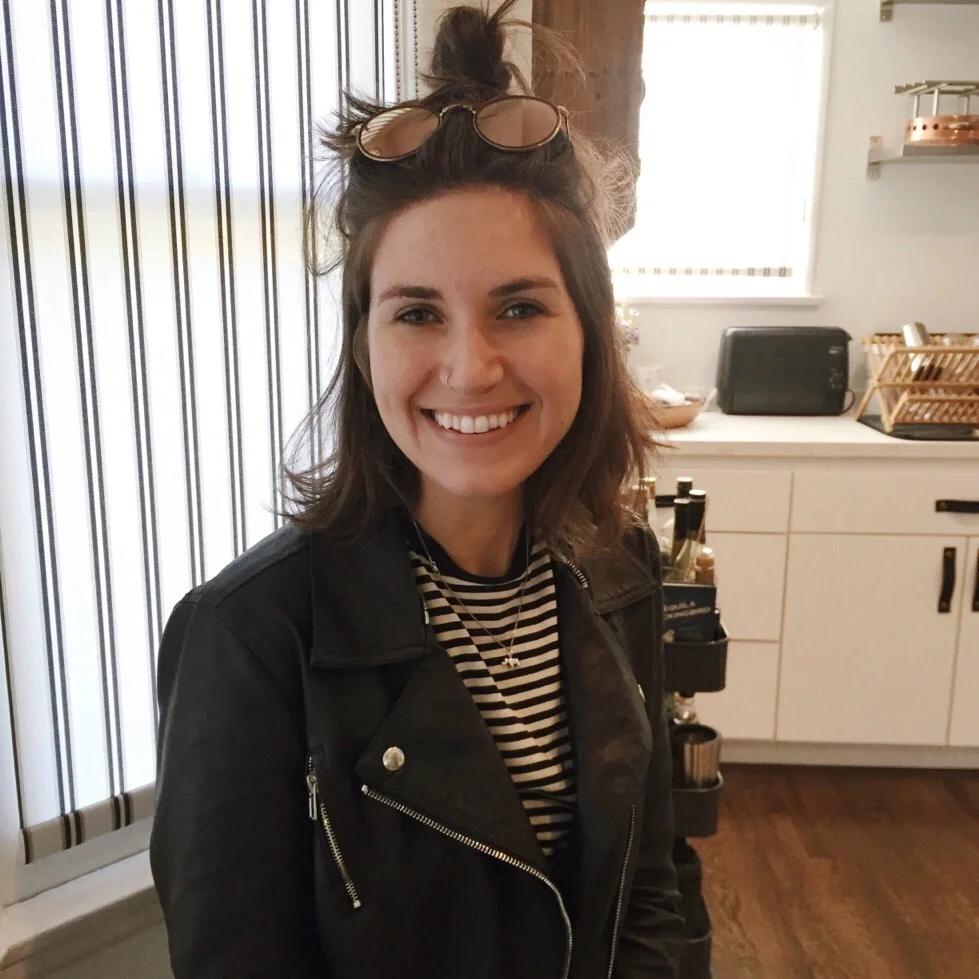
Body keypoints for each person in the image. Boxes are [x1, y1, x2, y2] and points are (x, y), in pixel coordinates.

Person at [149, 2, 686, 976]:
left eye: (518, 307)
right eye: (416, 313)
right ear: (364, 346)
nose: (470, 368)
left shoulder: (623, 572)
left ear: (589, 332)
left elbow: (650, 885)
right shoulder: (251, 637)